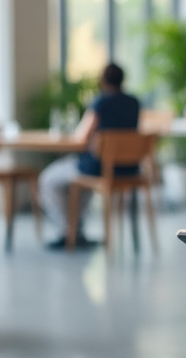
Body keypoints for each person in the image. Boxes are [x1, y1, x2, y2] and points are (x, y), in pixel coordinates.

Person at [38, 63, 140, 249]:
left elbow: (81, 136)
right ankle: (76, 230)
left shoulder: (101, 102)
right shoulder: (134, 103)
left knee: (48, 179)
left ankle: (67, 230)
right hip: (129, 168)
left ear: (103, 80)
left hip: (100, 167)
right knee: (82, 182)